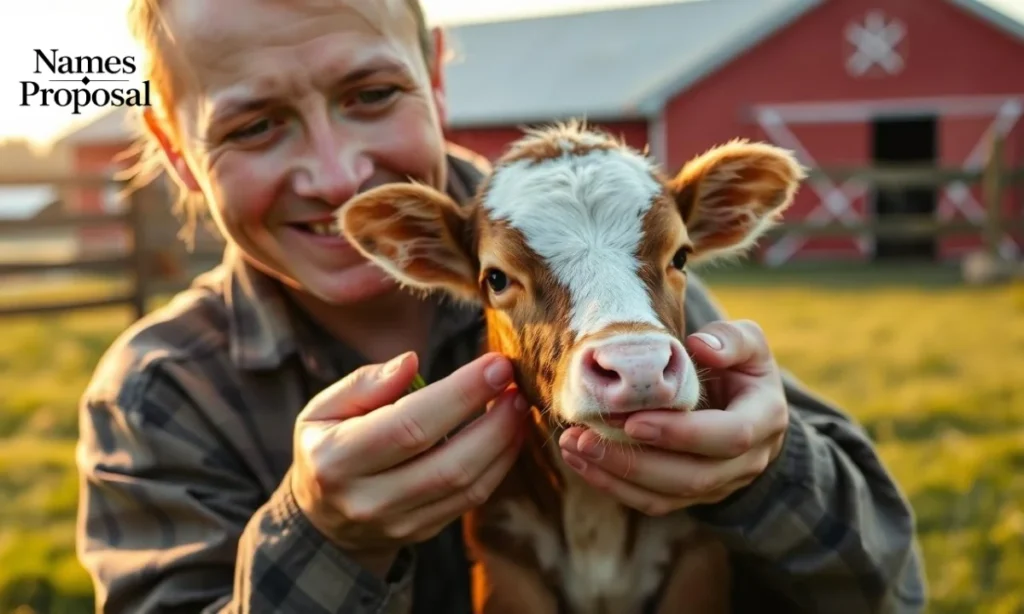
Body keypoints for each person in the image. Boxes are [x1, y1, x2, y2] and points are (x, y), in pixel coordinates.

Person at [75, 0, 927, 612]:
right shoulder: (161, 398)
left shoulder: (619, 279)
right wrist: (326, 539)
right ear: (176, 152)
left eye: (372, 94)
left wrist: (760, 469)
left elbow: (886, 586)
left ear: (436, 78)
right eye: (253, 125)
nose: (337, 177)